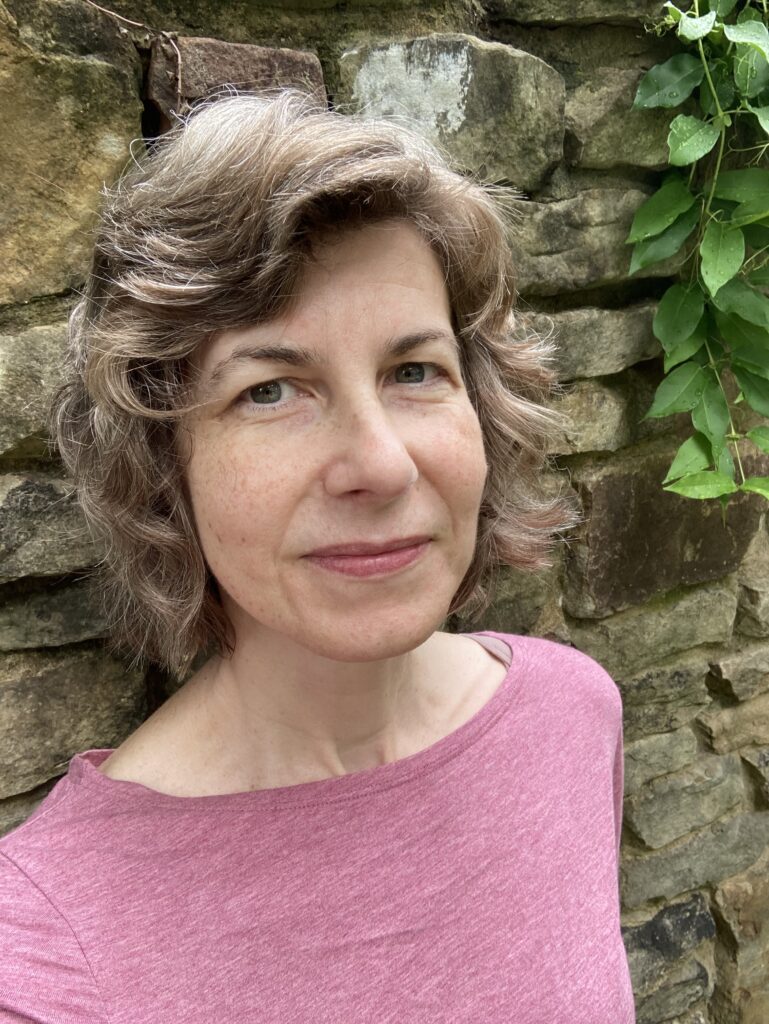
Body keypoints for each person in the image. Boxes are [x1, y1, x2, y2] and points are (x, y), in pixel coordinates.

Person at [0, 90, 635, 1022]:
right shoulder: (52, 954)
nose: (380, 464)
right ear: (161, 462)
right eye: (269, 391)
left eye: (413, 371)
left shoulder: (572, 715)